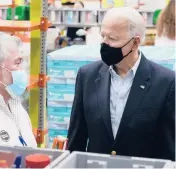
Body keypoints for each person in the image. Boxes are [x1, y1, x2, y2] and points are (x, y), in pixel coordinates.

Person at [67, 7, 175, 161]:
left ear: (135, 43)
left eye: (113, 39)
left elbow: (168, 148)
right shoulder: (87, 76)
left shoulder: (166, 82)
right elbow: (76, 138)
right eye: (103, 36)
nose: (105, 43)